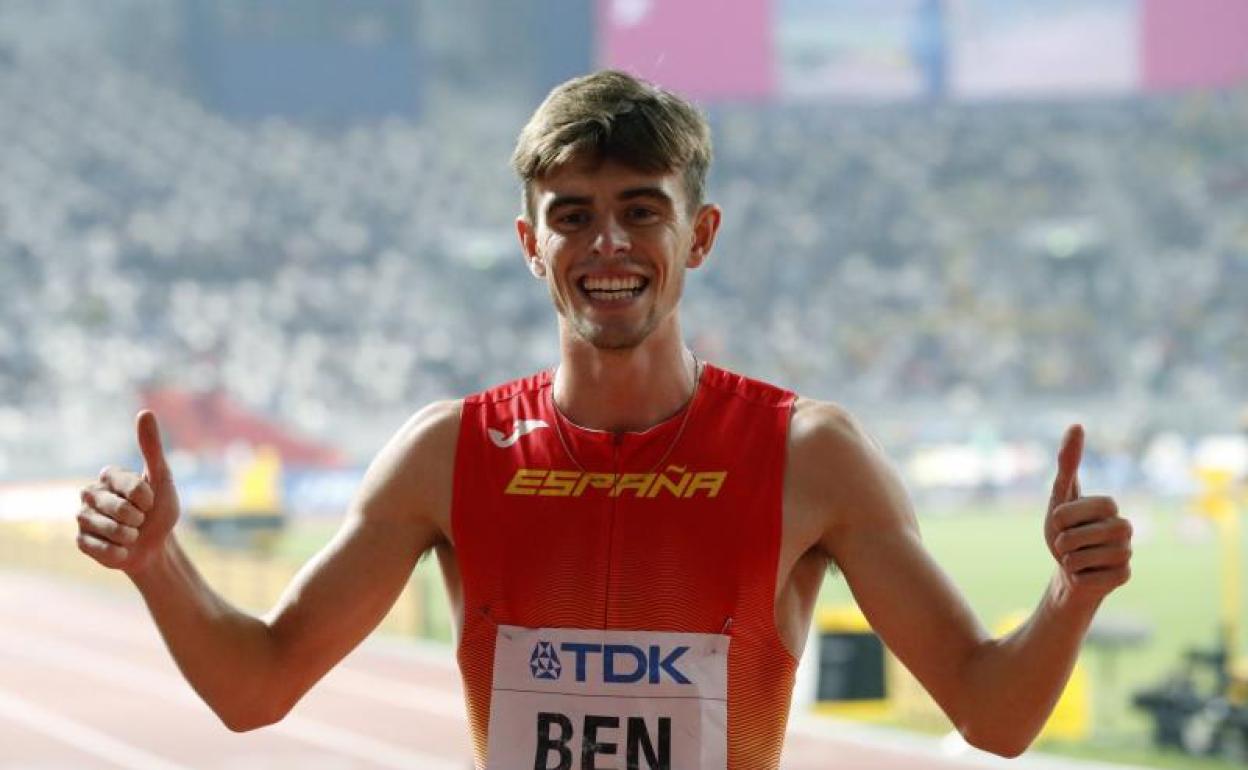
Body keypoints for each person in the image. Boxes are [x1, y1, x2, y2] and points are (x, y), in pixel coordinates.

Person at [76, 70, 1133, 769]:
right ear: (530, 246)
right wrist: (159, 564)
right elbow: (256, 687)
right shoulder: (448, 453)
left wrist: (1069, 593)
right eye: (573, 216)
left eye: (641, 211)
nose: (608, 245)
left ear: (699, 234)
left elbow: (992, 715)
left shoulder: (808, 455)